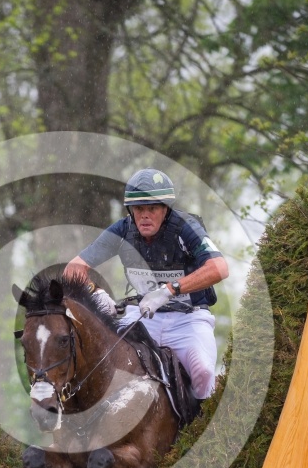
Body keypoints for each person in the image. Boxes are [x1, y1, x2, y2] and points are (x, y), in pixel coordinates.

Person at [64, 168, 229, 400]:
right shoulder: (123, 230)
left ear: (165, 209)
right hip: (143, 316)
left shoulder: (185, 227)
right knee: (102, 361)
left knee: (203, 372)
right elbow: (73, 269)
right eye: (139, 209)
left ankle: (204, 421)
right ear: (130, 210)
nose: (144, 216)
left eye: (152, 208)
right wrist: (96, 293)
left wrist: (170, 290)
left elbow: (219, 268)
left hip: (189, 319)